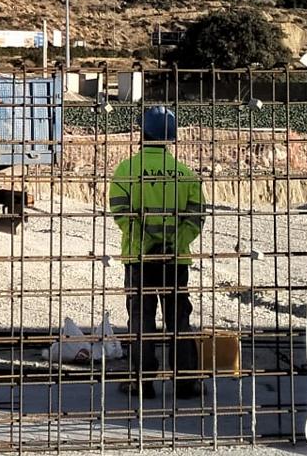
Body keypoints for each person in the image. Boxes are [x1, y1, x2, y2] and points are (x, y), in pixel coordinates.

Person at [108, 105, 205, 400]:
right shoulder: (185, 174)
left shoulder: (127, 170)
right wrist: (173, 243)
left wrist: (145, 241)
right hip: (175, 261)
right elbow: (197, 216)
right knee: (178, 319)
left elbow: (120, 212)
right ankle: (186, 383)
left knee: (141, 320)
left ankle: (141, 381)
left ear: (142, 134)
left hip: (139, 259)